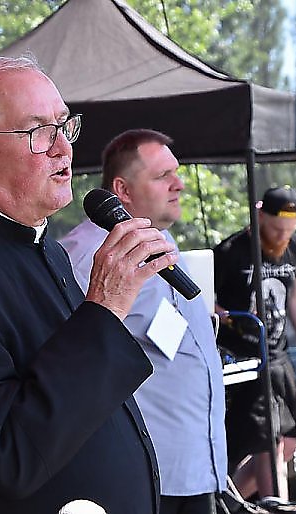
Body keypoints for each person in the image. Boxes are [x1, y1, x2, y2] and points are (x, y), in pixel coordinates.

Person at [0, 55, 181, 514]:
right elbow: (9, 454)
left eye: (65, 125)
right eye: (38, 132)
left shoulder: (45, 246)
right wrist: (104, 309)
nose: (63, 148)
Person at [60, 129, 227, 514]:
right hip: (141, 477)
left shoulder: (162, 243)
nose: (179, 184)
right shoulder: (88, 255)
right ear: (123, 190)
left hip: (192, 469)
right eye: (162, 175)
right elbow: (69, 361)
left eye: (177, 172)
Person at [214, 186, 296, 500]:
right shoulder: (230, 251)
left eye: (289, 231)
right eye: (277, 229)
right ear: (260, 214)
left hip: (279, 358)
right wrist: (230, 318)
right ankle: (276, 505)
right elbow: (201, 298)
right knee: (270, 443)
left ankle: (229, 501)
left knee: (291, 439)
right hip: (245, 363)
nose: (282, 237)